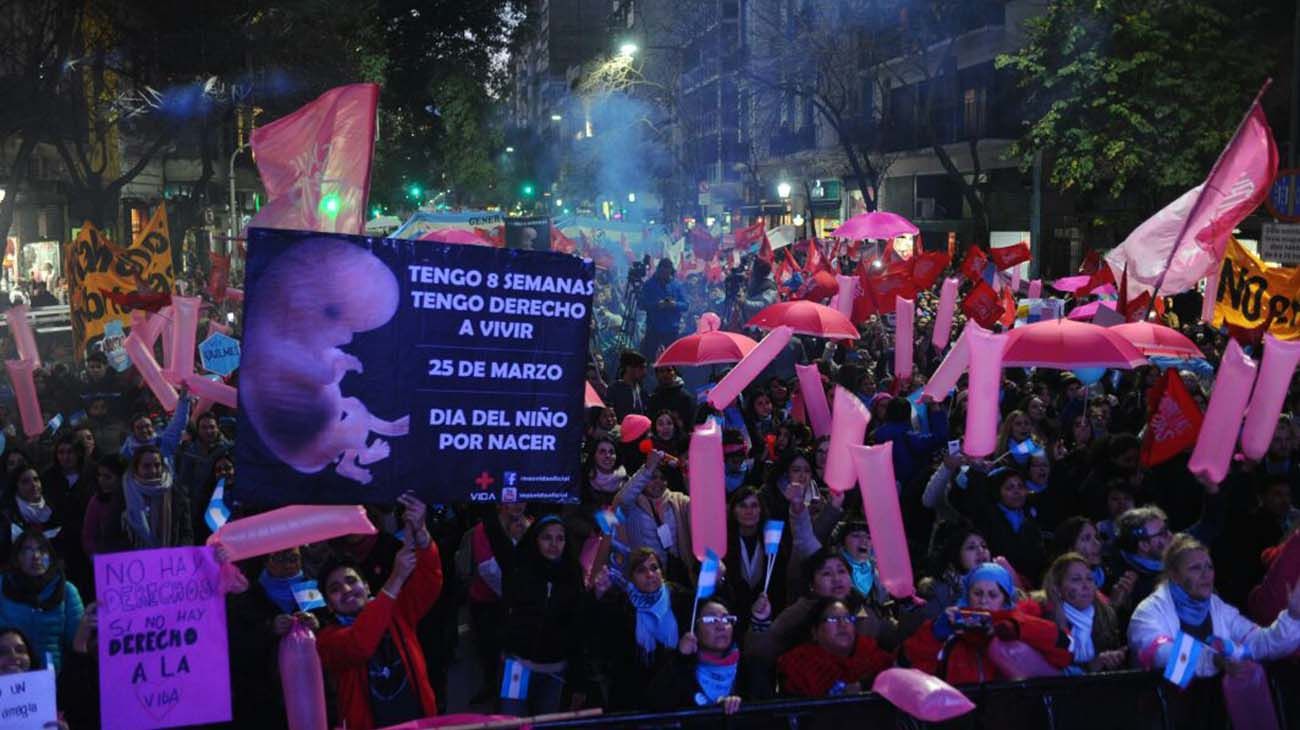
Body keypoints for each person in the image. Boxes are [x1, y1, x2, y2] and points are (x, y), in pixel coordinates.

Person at [317, 493, 443, 730]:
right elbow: (360, 645)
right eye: (334, 589)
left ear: (366, 586)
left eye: (351, 581)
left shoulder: (396, 612)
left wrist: (422, 534)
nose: (346, 589)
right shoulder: (326, 640)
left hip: (419, 721)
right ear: (329, 604)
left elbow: (429, 581)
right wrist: (396, 578)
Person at [1129, 534, 1300, 684]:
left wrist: (1292, 617)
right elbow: (1161, 654)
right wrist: (1213, 659)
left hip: (1211, 714)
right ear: (1174, 575)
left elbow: (1261, 646)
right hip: (1161, 715)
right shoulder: (1148, 612)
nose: (1206, 574)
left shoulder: (1219, 608)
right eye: (1195, 568)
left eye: (1209, 567)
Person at [903, 561, 1071, 685]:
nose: (983, 601)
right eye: (977, 593)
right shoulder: (950, 632)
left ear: (1005, 600)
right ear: (967, 596)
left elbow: (1067, 651)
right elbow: (907, 668)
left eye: (992, 595)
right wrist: (933, 634)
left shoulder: (1022, 623)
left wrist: (1019, 628)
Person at [499, 515, 590, 716]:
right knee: (510, 722)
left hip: (553, 672)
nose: (554, 544)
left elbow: (577, 632)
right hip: (517, 666)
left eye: (560, 538)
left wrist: (579, 682)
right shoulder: (520, 571)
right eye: (547, 537)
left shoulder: (572, 578)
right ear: (535, 540)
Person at [590, 549, 692, 711]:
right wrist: (599, 593)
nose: (650, 574)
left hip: (675, 693)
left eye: (654, 568)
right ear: (631, 577)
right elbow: (598, 634)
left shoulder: (681, 598)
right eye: (641, 570)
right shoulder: (620, 603)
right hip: (634, 696)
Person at [0, 529, 86, 673]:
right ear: (18, 557)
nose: (36, 556)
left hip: (52, 677)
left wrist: (87, 624)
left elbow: (76, 643)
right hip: (8, 674)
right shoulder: (3, 586)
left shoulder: (67, 590)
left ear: (51, 556)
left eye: (42, 550)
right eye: (28, 550)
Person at [777, 597, 894, 697]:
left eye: (848, 618)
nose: (843, 624)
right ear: (815, 632)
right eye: (833, 619)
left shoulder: (872, 654)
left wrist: (863, 685)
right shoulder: (798, 664)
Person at [647, 597, 746, 714]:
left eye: (726, 619)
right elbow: (656, 705)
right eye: (711, 619)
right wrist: (680, 658)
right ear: (694, 627)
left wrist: (737, 706)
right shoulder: (677, 663)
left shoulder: (748, 667)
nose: (721, 626)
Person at [1038, 553, 1126, 674]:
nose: (1086, 586)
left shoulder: (1106, 615)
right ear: (1057, 589)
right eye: (1076, 579)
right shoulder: (1044, 617)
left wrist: (1114, 658)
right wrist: (1094, 665)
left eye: (1089, 579)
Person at [123, 444, 192, 548]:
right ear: (136, 468)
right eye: (146, 466)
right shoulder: (124, 492)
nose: (153, 471)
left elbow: (186, 532)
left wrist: (181, 553)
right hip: (136, 560)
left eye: (157, 465)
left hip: (170, 559)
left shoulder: (177, 493)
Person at [638, 258, 688, 361]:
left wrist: (674, 304)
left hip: (671, 329)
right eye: (662, 271)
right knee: (649, 358)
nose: (665, 275)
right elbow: (641, 304)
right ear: (658, 270)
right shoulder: (649, 284)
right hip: (653, 328)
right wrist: (657, 305)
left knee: (672, 359)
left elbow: (686, 305)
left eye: (667, 272)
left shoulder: (677, 285)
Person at [646, 365, 695, 433]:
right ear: (657, 375)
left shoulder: (686, 398)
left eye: (669, 370)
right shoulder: (653, 398)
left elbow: (690, 426)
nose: (665, 374)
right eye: (662, 371)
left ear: (675, 373)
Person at [605, 350, 647, 419]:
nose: (644, 372)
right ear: (629, 368)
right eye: (641, 368)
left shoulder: (642, 390)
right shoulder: (614, 390)